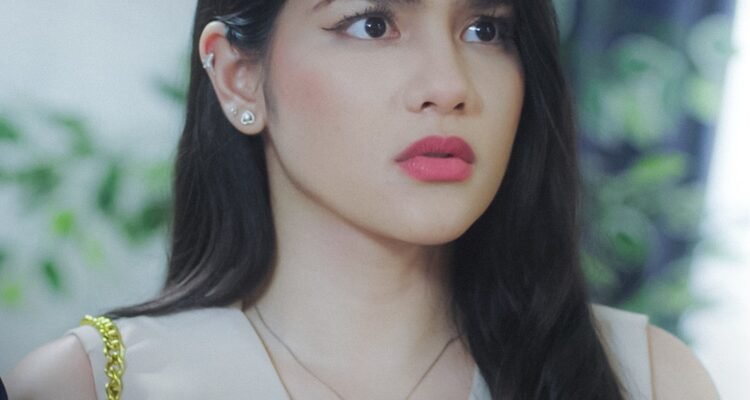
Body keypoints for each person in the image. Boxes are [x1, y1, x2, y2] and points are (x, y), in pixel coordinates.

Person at [4, 0, 718, 399]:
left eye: (486, 29)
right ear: (238, 76)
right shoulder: (91, 385)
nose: (449, 84)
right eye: (373, 24)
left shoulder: (650, 379)